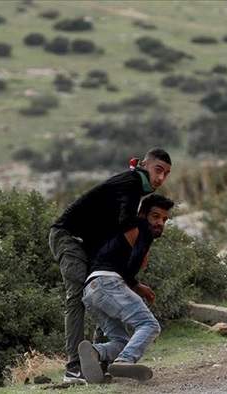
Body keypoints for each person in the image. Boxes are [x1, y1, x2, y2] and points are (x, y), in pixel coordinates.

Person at [48, 147, 172, 383]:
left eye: (166, 173)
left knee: (97, 295)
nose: (161, 178)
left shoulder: (135, 188)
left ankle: (99, 361)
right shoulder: (133, 181)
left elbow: (119, 227)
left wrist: (131, 276)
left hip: (90, 247)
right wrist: (140, 249)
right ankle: (73, 369)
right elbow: (126, 222)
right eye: (158, 170)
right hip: (69, 237)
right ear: (144, 165)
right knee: (76, 297)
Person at [78, 194, 176, 384]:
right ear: (142, 214)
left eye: (164, 219)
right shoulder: (143, 228)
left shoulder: (121, 233)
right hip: (109, 283)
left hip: (90, 290)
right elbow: (136, 259)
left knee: (121, 341)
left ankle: (96, 351)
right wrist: (134, 283)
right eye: (155, 216)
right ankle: (125, 360)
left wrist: (135, 284)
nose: (160, 223)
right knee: (149, 325)